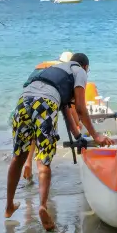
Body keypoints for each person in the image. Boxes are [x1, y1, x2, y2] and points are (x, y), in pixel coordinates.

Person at [6, 52, 111, 231]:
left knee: (19, 157)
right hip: (45, 103)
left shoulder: (54, 71)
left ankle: (9, 205)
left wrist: (79, 138)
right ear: (85, 67)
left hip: (23, 102)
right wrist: (96, 136)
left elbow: (68, 115)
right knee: (44, 160)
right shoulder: (80, 71)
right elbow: (80, 108)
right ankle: (42, 206)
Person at [22, 51, 74, 182]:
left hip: (25, 98)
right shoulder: (65, 73)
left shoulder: (46, 66)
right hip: (46, 100)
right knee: (45, 138)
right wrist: (77, 129)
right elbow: (68, 107)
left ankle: (28, 163)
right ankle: (43, 171)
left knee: (32, 132)